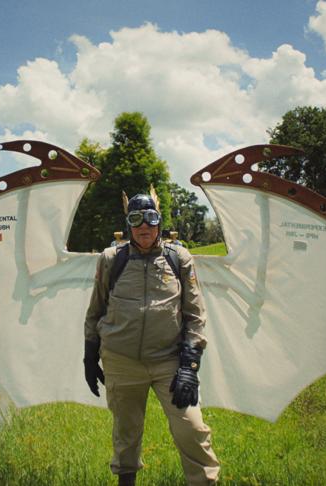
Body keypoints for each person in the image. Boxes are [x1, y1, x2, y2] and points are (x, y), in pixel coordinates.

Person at [83, 190, 220, 485]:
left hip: (168, 361)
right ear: (128, 224)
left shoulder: (178, 258)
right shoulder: (111, 259)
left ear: (160, 221)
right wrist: (89, 355)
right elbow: (95, 311)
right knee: (126, 433)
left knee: (191, 428)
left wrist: (189, 364)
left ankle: (204, 481)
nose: (144, 225)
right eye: (136, 219)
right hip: (121, 361)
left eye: (150, 218)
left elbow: (195, 314)